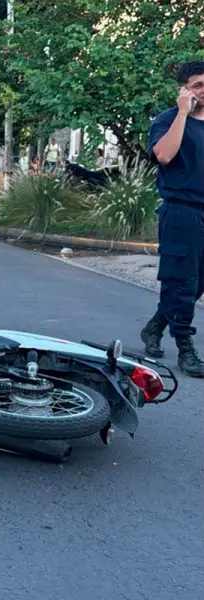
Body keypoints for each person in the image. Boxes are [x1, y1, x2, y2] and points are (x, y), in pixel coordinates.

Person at [139, 60, 204, 377]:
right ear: (183, 89)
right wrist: (182, 112)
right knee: (182, 282)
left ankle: (154, 327)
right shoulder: (167, 120)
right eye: (197, 85)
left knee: (197, 284)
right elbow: (164, 155)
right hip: (181, 211)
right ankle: (185, 349)